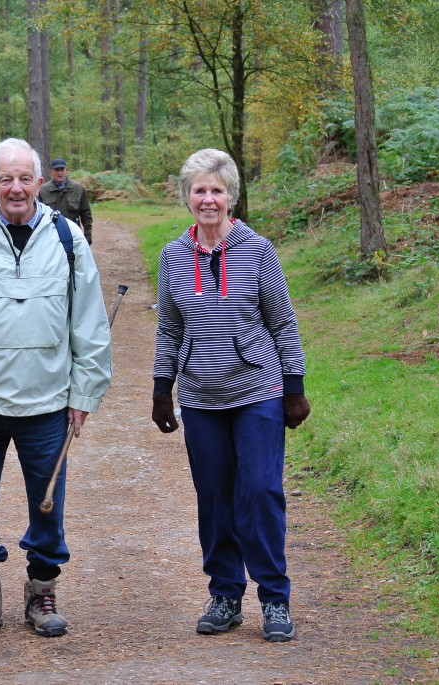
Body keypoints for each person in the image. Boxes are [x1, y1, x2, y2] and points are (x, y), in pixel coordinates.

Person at [0, 138, 113, 639]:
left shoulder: (67, 237)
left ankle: (42, 589)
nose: (15, 188)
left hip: (48, 403)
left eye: (24, 178)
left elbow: (89, 320)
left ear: (39, 183)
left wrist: (83, 395)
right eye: (6, 179)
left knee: (47, 505)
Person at [150, 149, 310, 643]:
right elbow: (169, 328)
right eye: (199, 190)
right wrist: (161, 389)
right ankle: (224, 594)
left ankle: (275, 598)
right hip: (200, 397)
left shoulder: (258, 250)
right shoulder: (173, 256)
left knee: (260, 491)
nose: (208, 199)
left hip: (258, 390)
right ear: (187, 197)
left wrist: (294, 388)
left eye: (216, 190)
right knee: (215, 498)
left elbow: (282, 322)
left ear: (230, 196)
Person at [38, 158, 94, 245]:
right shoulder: (43, 190)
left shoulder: (77, 188)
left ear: (66, 170)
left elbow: (86, 214)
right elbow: (37, 216)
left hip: (74, 235)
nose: (60, 172)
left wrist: (88, 235)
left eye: (62, 169)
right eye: (56, 170)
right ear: (50, 172)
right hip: (51, 236)